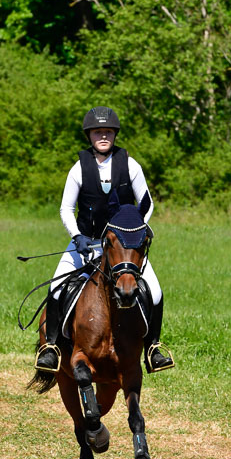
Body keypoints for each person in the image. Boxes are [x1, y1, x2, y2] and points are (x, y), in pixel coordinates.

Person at [35, 106, 174, 374]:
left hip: (124, 248)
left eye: (108, 132)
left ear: (114, 135)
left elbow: (147, 203)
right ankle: (51, 348)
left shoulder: (130, 165)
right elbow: (66, 209)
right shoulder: (79, 168)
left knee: (155, 291)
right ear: (89, 135)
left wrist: (136, 231)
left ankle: (154, 347)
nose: (103, 136)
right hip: (86, 243)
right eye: (98, 132)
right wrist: (77, 236)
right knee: (55, 288)